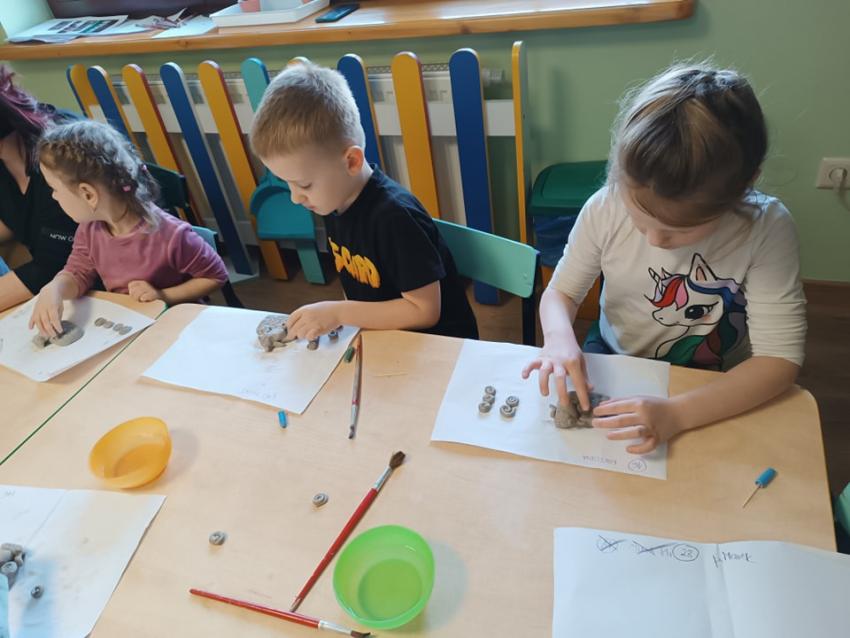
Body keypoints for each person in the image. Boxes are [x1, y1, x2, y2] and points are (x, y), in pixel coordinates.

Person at [523, 63, 806, 454]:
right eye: (640, 221)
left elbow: (778, 361)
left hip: (715, 374)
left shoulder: (766, 228)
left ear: (743, 188)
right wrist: (557, 339)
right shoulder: (606, 206)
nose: (656, 240)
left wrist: (678, 413)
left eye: (679, 231)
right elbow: (562, 293)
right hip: (614, 352)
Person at [250, 61, 478, 341]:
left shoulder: (395, 218)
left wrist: (338, 312)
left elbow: (424, 311)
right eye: (287, 183)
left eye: (304, 184)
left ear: (351, 161)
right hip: (386, 337)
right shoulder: (333, 201)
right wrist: (343, 316)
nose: (295, 198)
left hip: (439, 344)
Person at [30, 119, 228, 336]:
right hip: (133, 326)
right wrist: (55, 288)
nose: (53, 196)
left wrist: (162, 295)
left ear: (88, 194)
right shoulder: (89, 230)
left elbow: (216, 276)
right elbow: (78, 274)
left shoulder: (171, 235)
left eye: (54, 189)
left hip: (176, 329)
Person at [0, 66, 78, 312]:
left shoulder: (61, 151)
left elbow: (53, 266)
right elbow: (16, 216)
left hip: (115, 285)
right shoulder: (8, 155)